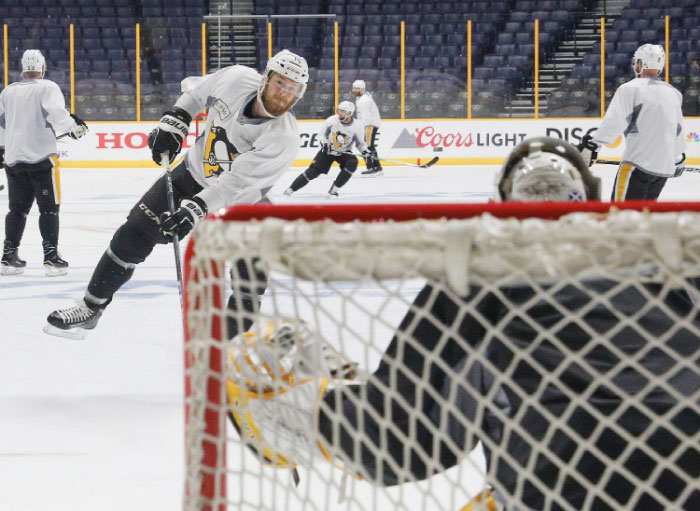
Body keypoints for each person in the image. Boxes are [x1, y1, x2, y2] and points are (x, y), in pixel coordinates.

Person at [225, 137, 699, 511]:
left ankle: (286, 415)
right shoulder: (678, 271)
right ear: (595, 205)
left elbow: (400, 443)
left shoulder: (483, 273)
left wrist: (311, 405)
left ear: (501, 205)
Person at [44, 49, 309, 339]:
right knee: (133, 234)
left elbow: (234, 186)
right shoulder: (236, 78)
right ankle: (90, 309)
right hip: (192, 174)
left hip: (244, 203)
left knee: (251, 278)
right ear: (265, 78)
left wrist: (195, 209)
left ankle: (224, 348)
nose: (285, 93)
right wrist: (175, 122)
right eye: (281, 83)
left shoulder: (283, 138)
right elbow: (196, 94)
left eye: (293, 88)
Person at [0, 49, 88, 276]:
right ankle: (51, 258)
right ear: (42, 67)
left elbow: (1, 123)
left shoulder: (8, 92)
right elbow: (58, 115)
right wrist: (74, 127)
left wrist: (2, 148)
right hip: (42, 159)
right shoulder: (47, 87)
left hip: (14, 159)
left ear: (23, 67)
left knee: (17, 209)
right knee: (49, 209)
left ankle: (9, 257)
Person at [577, 44, 686, 201]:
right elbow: (677, 129)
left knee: (622, 215)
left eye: (637, 62)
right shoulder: (673, 92)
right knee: (643, 217)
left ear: (641, 64)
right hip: (662, 171)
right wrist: (678, 156)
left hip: (636, 166)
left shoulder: (631, 88)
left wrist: (593, 144)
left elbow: (615, 122)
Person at [283, 101, 370, 197]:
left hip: (344, 152)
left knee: (352, 163)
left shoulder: (358, 126)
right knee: (312, 172)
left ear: (349, 113)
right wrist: (324, 144)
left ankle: (334, 189)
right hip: (328, 150)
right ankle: (290, 189)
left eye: (342, 111)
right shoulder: (332, 121)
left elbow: (360, 144)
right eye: (339, 110)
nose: (339, 113)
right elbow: (321, 135)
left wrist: (364, 151)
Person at [352, 79, 383, 177]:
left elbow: (367, 118)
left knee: (368, 145)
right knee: (367, 145)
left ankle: (373, 168)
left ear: (362, 89)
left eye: (357, 89)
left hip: (369, 124)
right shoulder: (361, 98)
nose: (354, 90)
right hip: (368, 124)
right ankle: (376, 167)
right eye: (354, 88)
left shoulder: (364, 101)